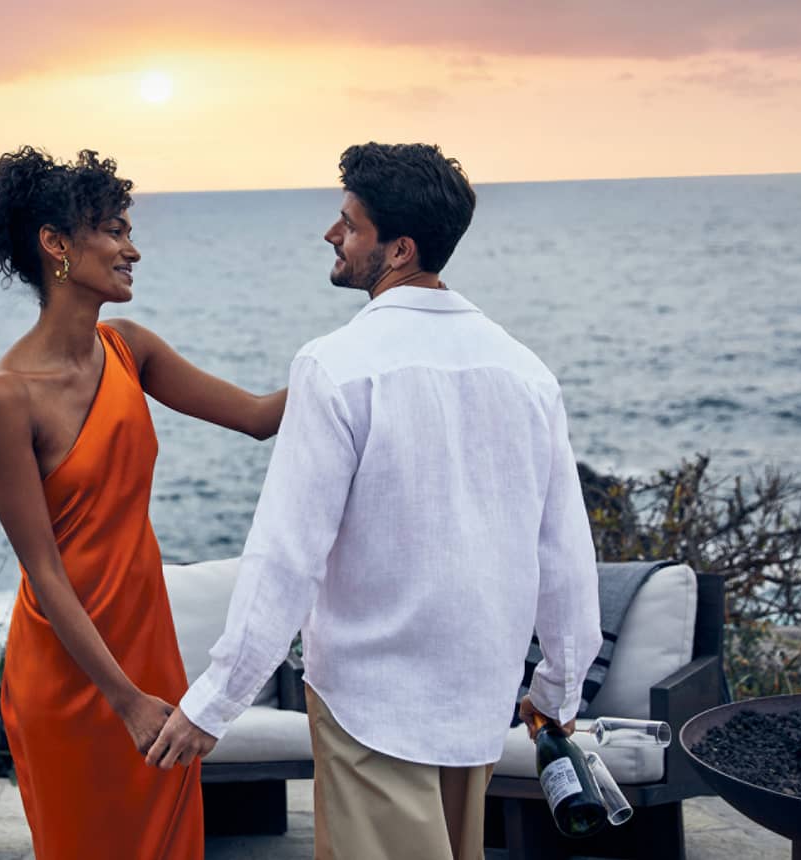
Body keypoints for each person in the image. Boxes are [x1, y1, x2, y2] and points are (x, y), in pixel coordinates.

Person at [145, 142, 602, 860]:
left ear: (400, 249)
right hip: (477, 697)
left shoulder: (335, 367)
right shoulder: (527, 373)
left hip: (370, 706)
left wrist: (215, 701)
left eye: (350, 224)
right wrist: (558, 691)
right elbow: (566, 556)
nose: (333, 235)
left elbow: (286, 555)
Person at [0, 146, 286, 859]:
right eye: (115, 231)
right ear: (56, 244)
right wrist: (122, 699)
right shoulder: (5, 397)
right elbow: (44, 571)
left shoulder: (128, 349)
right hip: (71, 677)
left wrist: (368, 342)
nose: (133, 250)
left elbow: (258, 417)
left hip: (149, 655)